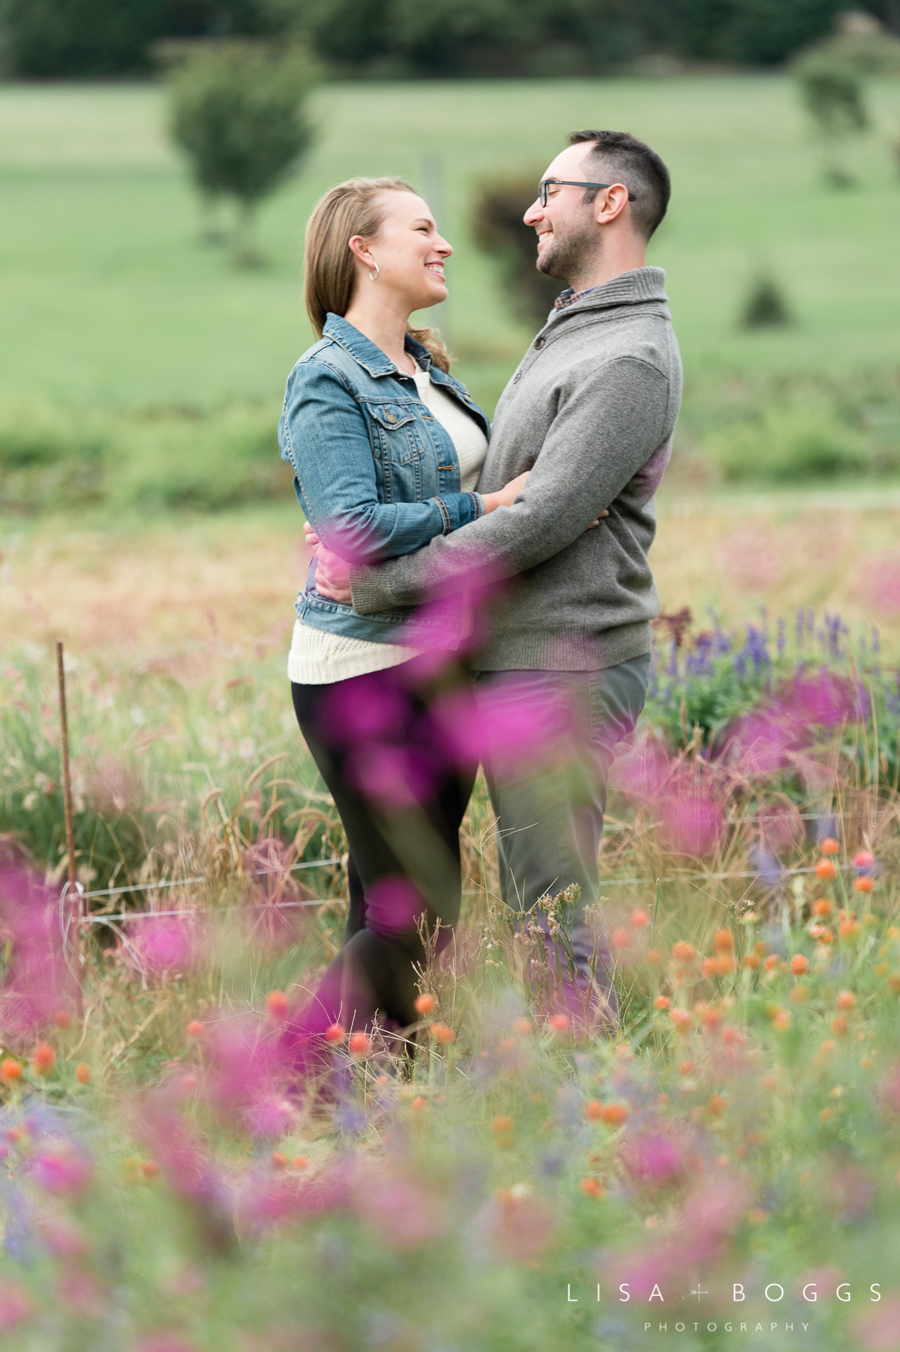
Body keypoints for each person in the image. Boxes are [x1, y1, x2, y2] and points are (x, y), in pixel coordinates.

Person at [310, 130, 683, 1025]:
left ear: (609, 203)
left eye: (550, 190)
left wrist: (376, 582)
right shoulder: (577, 329)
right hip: (521, 655)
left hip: (567, 659)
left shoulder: (624, 356)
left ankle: (601, 1098)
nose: (530, 210)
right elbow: (505, 499)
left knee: (550, 903)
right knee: (503, 900)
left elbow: (544, 518)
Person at [279, 176, 529, 1045]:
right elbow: (349, 527)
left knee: (402, 899)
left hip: (436, 657)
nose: (444, 242)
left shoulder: (429, 370)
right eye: (422, 228)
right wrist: (485, 510)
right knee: (418, 905)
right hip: (362, 666)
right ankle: (282, 1082)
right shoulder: (327, 379)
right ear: (364, 251)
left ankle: (379, 1090)